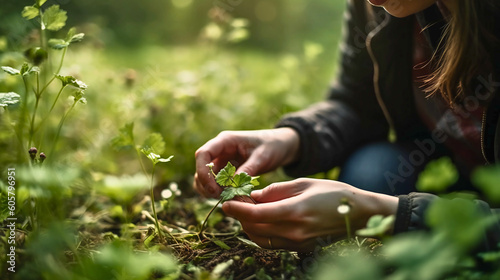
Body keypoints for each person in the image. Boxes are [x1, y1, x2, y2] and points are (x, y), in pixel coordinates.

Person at [194, 0, 500, 252]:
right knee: (370, 172)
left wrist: (388, 214)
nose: (372, 2)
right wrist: (291, 138)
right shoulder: (381, 6)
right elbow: (356, 103)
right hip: (448, 161)